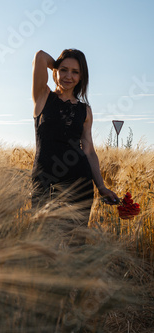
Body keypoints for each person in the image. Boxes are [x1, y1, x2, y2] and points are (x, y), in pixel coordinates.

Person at [31, 49, 119, 229]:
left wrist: (101, 186)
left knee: (75, 244)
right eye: (64, 70)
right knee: (42, 239)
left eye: (75, 72)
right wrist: (57, 68)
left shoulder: (85, 110)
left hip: (79, 182)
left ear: (81, 77)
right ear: (55, 71)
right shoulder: (42, 96)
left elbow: (88, 150)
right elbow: (40, 56)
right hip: (44, 180)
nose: (68, 76)